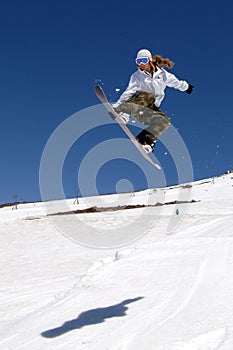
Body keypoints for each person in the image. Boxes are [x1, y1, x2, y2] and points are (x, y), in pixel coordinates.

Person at [113, 49, 193, 153]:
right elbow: (129, 91)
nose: (141, 64)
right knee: (148, 96)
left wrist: (186, 87)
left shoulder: (163, 74)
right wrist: (118, 106)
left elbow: (175, 82)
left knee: (164, 121)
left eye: (143, 60)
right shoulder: (137, 76)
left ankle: (145, 140)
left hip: (147, 109)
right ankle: (124, 114)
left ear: (149, 60)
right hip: (136, 103)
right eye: (138, 61)